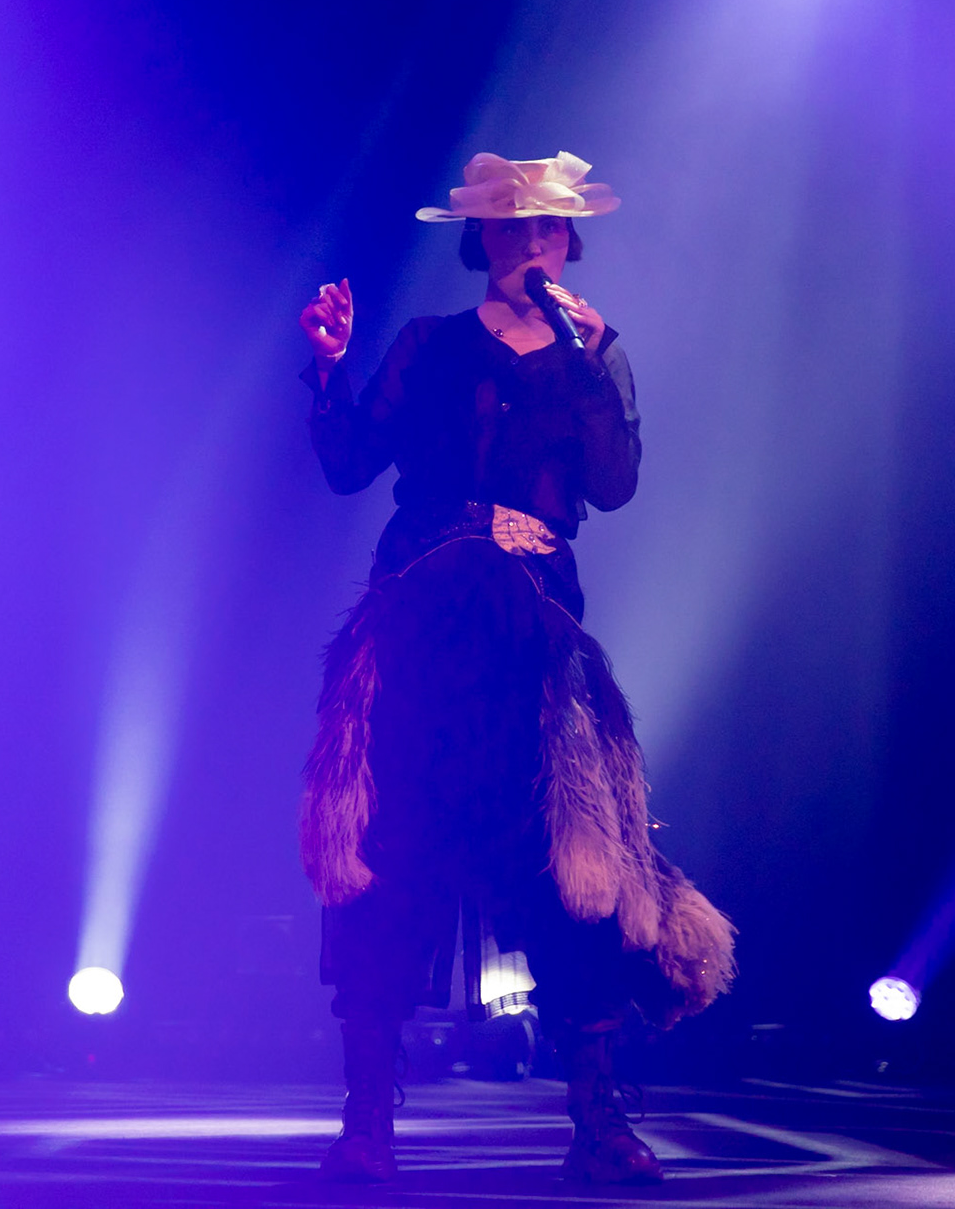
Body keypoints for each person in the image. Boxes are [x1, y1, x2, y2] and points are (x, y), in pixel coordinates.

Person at [295, 151, 734, 1185]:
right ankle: (367, 1121)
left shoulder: (599, 354)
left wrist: (584, 359)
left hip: (532, 640)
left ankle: (599, 1119)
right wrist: (328, 367)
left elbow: (616, 487)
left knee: (565, 859)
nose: (527, 240)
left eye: (545, 227)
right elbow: (350, 463)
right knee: (392, 852)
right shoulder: (428, 346)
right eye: (508, 226)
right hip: (420, 626)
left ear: (567, 241)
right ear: (481, 240)